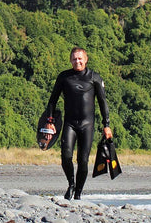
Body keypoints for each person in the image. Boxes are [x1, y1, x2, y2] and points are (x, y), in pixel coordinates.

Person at [45, 47, 112, 200]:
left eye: (80, 58)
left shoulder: (94, 77)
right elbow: (52, 101)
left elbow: (103, 103)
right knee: (66, 156)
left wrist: (106, 125)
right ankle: (71, 184)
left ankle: (79, 193)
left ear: (86, 59)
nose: (77, 61)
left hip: (87, 125)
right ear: (70, 60)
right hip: (70, 124)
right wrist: (50, 121)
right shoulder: (64, 77)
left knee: (83, 161)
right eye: (74, 59)